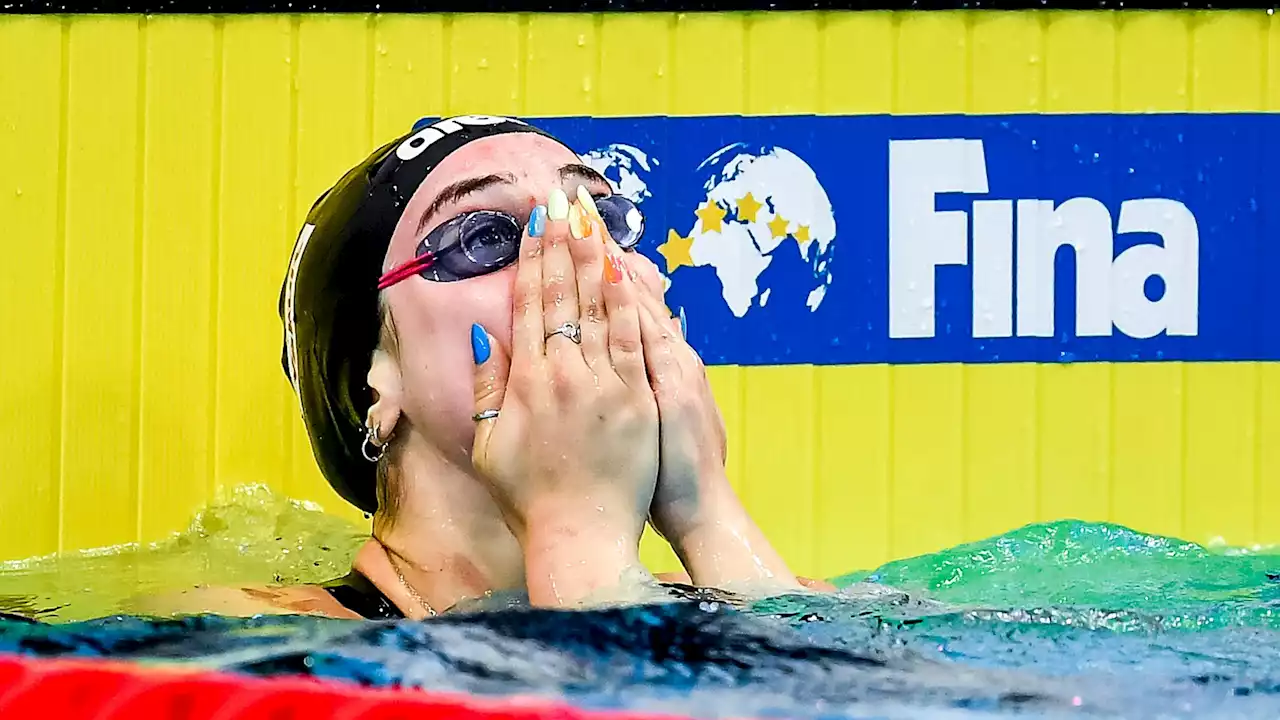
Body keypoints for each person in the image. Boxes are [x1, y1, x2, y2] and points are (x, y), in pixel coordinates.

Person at [148, 115, 828, 620]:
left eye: (600, 218)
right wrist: (574, 527)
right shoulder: (245, 634)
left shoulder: (764, 599)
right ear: (370, 385)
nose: (579, 259)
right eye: (487, 237)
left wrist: (704, 510)